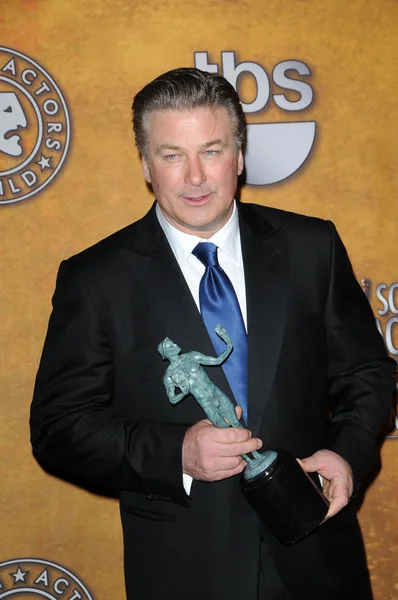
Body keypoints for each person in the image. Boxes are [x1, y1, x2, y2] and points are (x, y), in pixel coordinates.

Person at [30, 68, 395, 600]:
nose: (195, 177)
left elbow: (367, 372)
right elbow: (60, 427)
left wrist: (347, 455)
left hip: (318, 559)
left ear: (240, 156)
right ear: (146, 166)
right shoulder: (95, 280)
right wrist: (175, 452)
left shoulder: (311, 247)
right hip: (184, 571)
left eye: (212, 150)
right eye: (172, 154)